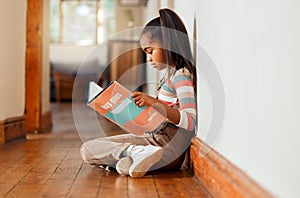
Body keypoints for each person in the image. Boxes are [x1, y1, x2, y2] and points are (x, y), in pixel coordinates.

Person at [80, 8, 197, 178]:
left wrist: (153, 102)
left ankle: (133, 154)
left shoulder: (181, 76)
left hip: (168, 150)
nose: (148, 59)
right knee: (88, 149)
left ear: (168, 43)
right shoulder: (169, 76)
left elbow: (190, 121)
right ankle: (134, 157)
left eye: (151, 51)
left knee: (92, 150)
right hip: (154, 141)